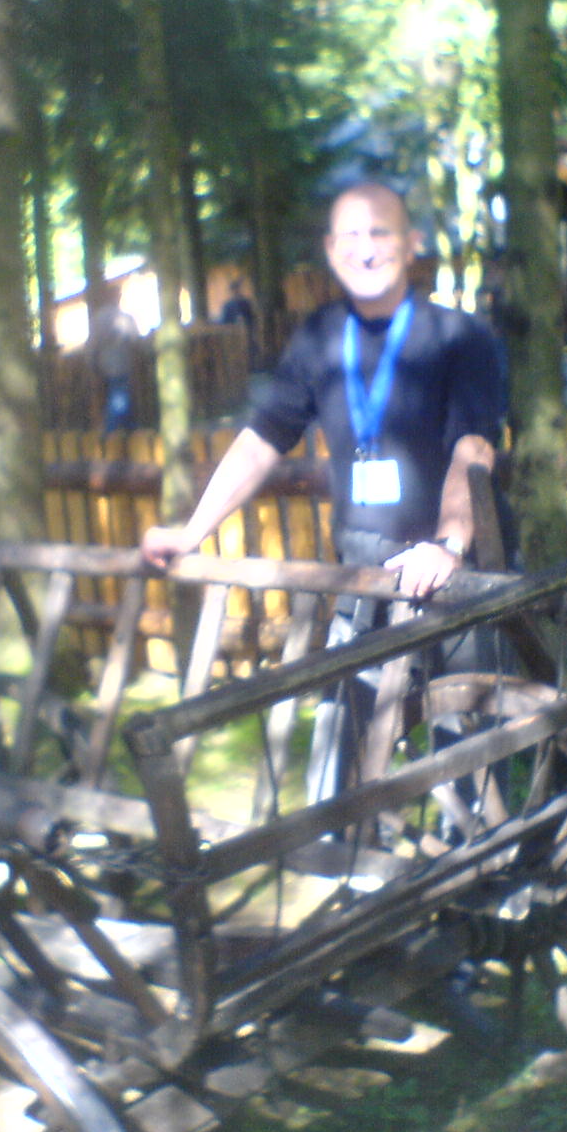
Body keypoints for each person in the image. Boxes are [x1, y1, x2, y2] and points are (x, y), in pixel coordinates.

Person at [141, 179, 507, 802]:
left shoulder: (460, 336)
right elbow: (262, 439)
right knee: (341, 749)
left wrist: (448, 544)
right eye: (351, 236)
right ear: (332, 250)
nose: (366, 249)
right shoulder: (318, 337)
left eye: (381, 233)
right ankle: (347, 852)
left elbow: (472, 449)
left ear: (412, 244)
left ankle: (478, 850)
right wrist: (192, 532)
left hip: (453, 575)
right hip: (363, 575)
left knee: (466, 754)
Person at [88, 298, 141, 435]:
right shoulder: (125, 318)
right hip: (122, 364)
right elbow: (135, 341)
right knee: (120, 396)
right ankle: (114, 430)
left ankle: (121, 429)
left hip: (105, 365)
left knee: (117, 395)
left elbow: (92, 345)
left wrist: (92, 363)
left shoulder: (98, 319)